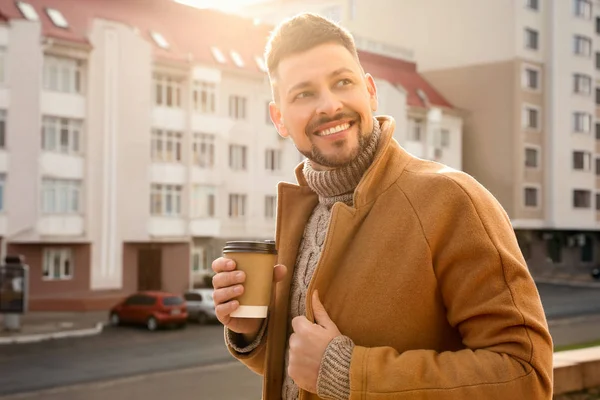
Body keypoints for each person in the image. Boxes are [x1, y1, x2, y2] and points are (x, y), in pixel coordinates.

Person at [211, 13, 553, 400]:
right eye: (303, 93)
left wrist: (348, 374)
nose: (329, 105)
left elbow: (525, 378)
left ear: (370, 91)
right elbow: (303, 371)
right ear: (279, 119)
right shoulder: (303, 211)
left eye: (343, 82)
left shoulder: (453, 200)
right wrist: (251, 332)